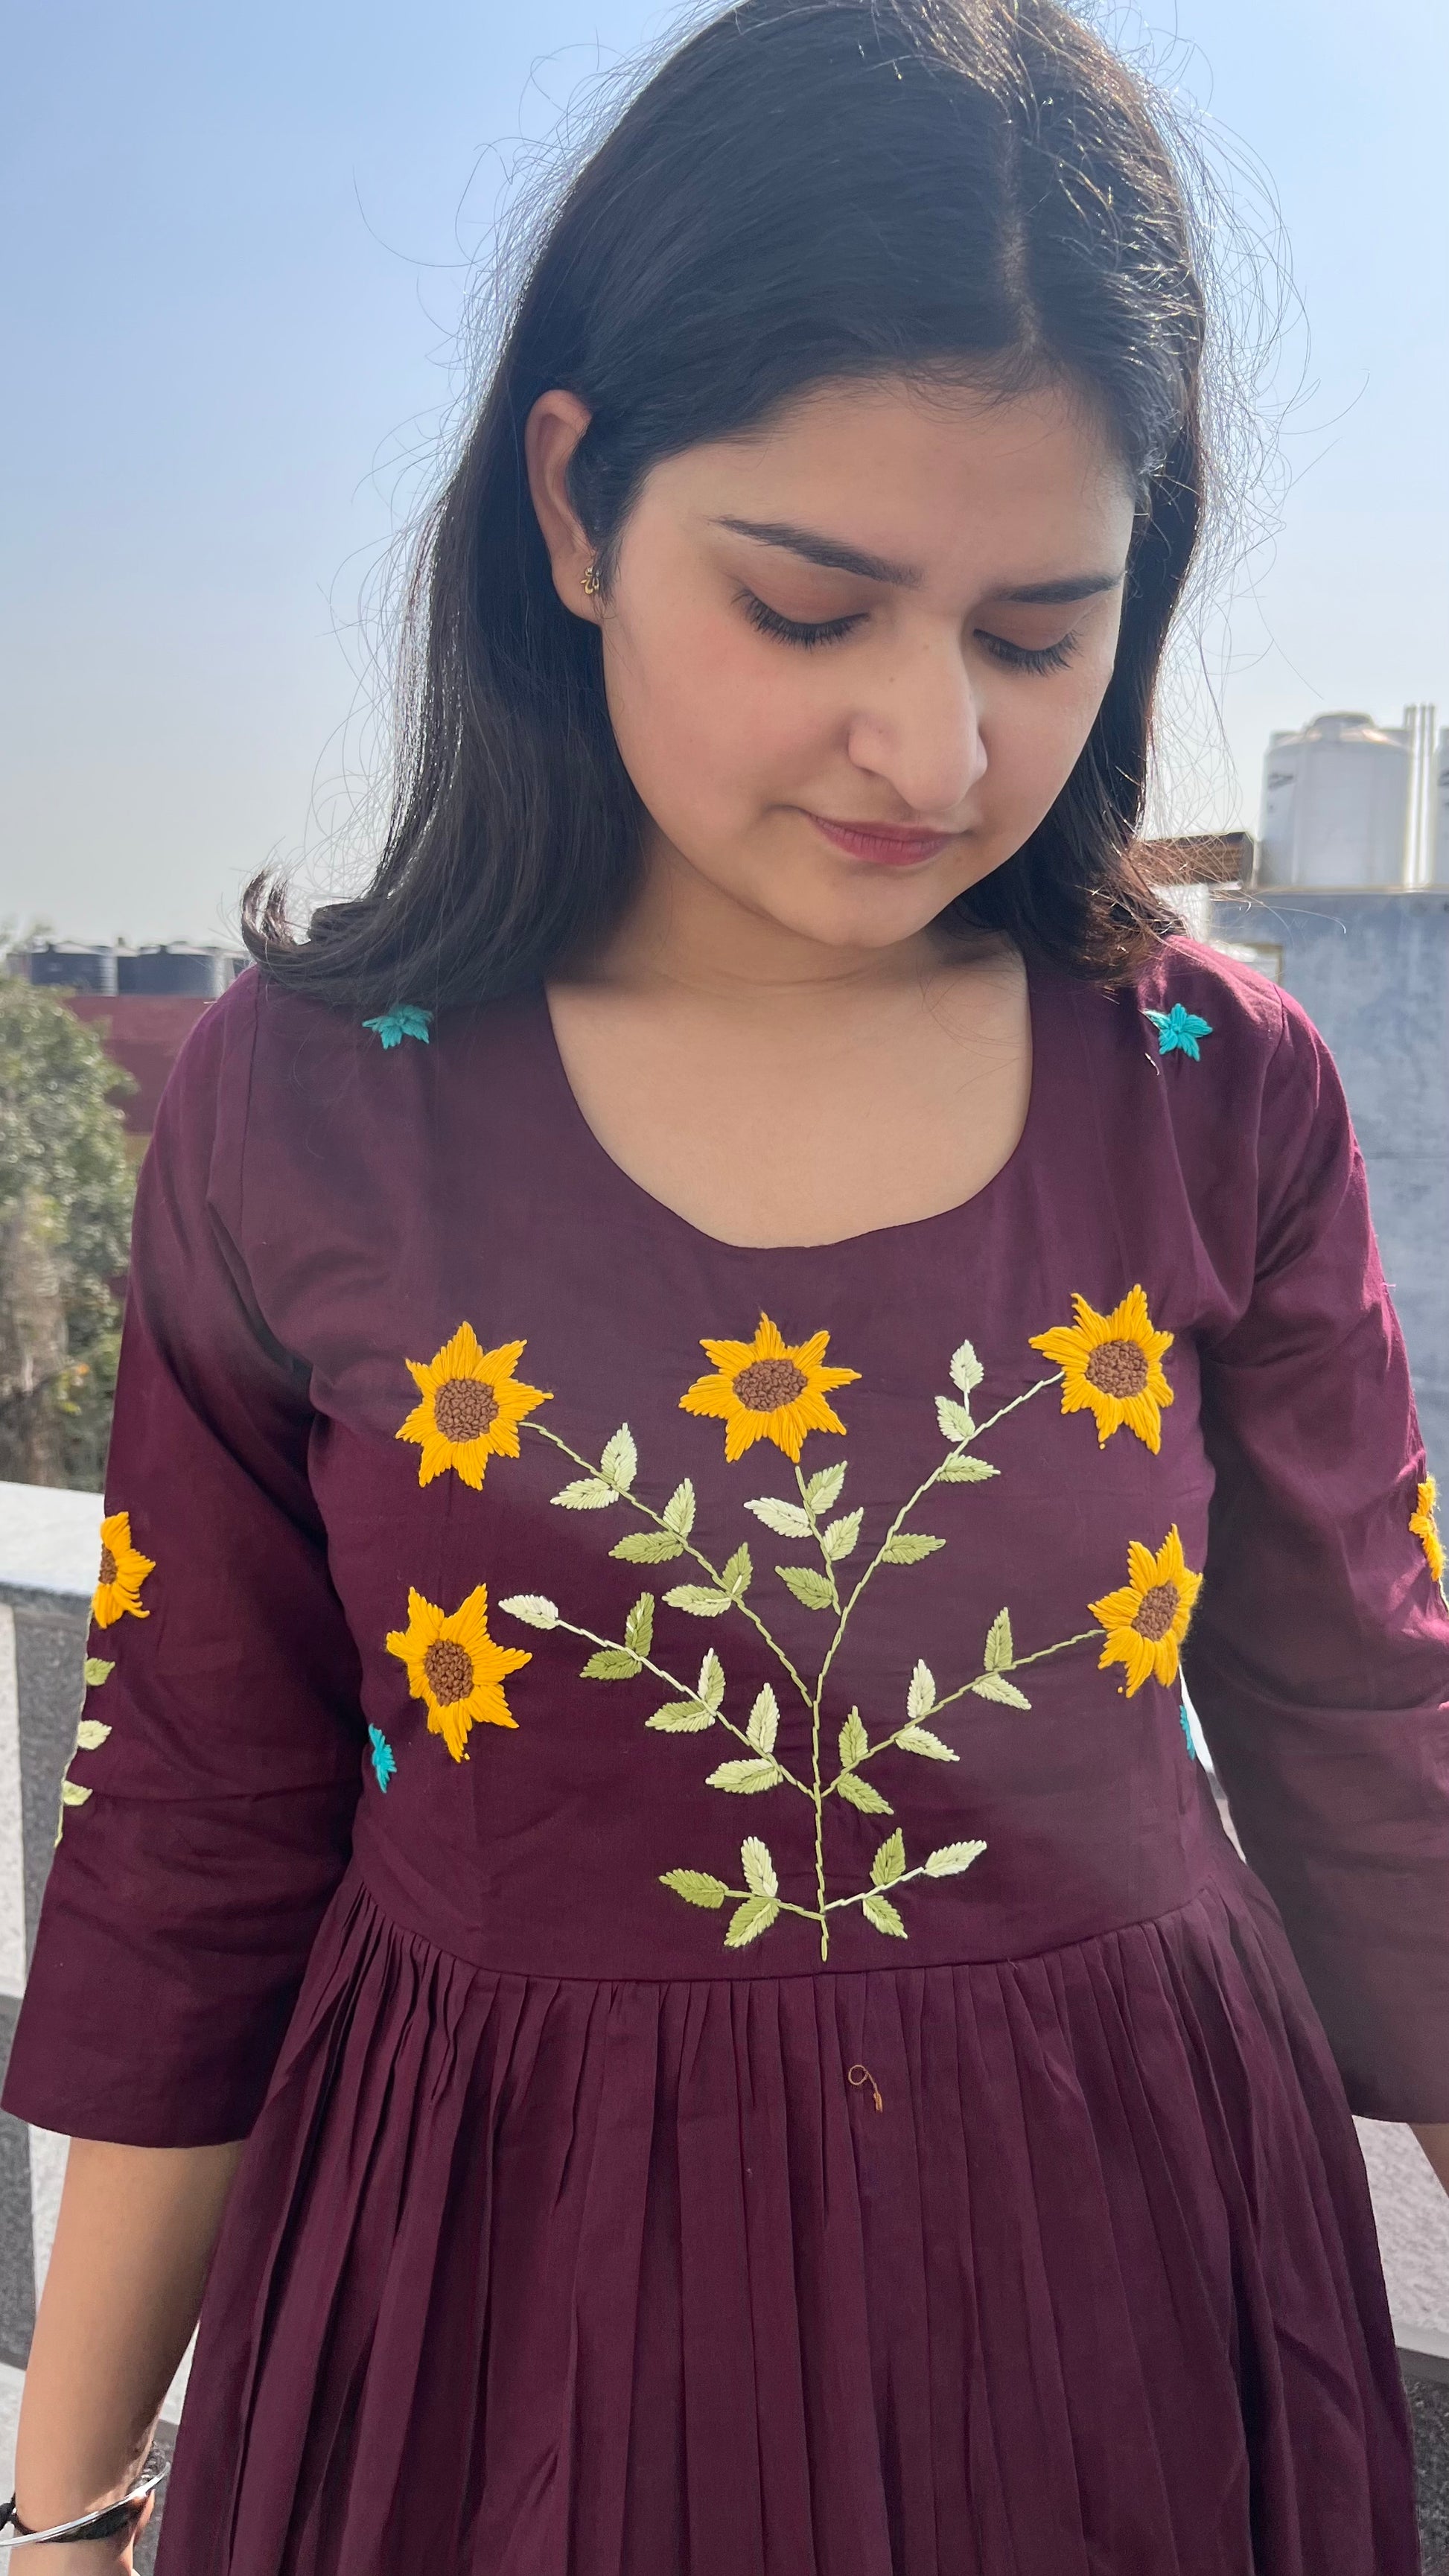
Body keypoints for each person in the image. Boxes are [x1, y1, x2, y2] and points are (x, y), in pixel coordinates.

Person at [5, 0, 1448, 2566]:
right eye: (808, 605)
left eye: (1038, 633)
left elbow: (1371, 1738)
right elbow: (196, 1816)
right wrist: (63, 2504)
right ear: (574, 503)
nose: (932, 747)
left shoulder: (1208, 1090)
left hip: (1118, 2312)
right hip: (487, 2322)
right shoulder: (304, 1108)